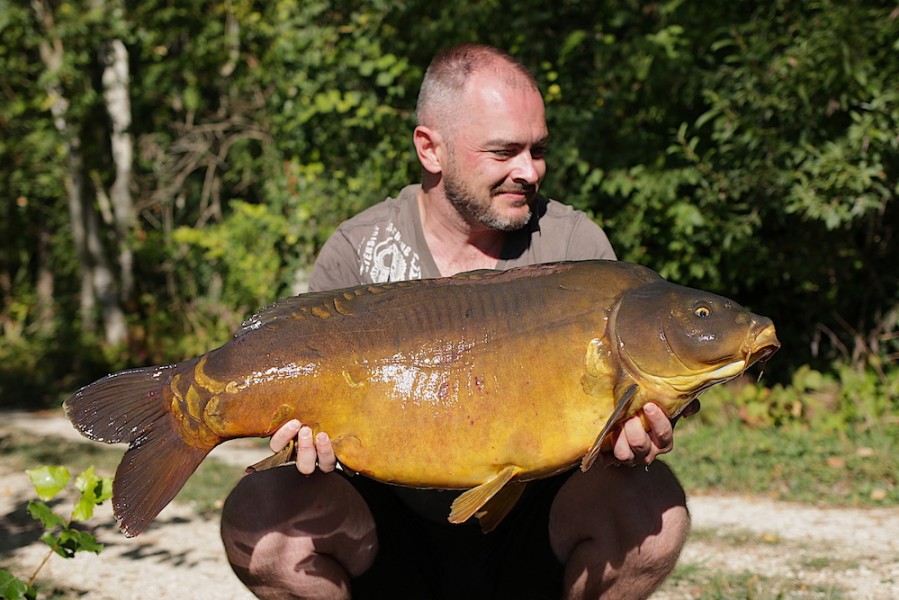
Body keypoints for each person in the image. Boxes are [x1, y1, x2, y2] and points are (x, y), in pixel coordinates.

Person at [220, 43, 695, 600]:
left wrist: (640, 429)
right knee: (259, 521)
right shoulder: (360, 252)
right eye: (504, 151)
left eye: (538, 150)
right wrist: (301, 440)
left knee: (650, 508)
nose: (529, 171)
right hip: (384, 523)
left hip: (533, 519)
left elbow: (629, 392)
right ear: (430, 149)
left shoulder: (573, 245)